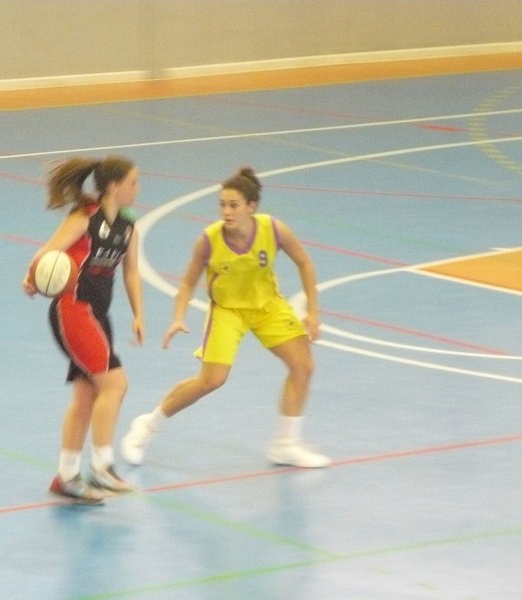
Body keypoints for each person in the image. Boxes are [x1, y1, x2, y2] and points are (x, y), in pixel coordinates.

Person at [121, 167, 330, 469]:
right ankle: (146, 425)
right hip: (227, 311)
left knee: (303, 367)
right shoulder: (209, 240)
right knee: (211, 380)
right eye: (222, 205)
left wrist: (313, 312)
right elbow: (187, 284)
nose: (227, 212)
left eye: (234, 205)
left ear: (251, 206)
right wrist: (178, 317)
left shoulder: (274, 230)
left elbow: (305, 264)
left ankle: (286, 445)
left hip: (267, 306)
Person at [23, 155, 145, 504]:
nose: (138, 189)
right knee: (116, 384)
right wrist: (31, 277)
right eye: (133, 182)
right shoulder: (84, 217)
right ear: (114, 186)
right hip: (73, 310)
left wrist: (138, 314)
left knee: (86, 396)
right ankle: (103, 467)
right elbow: (48, 252)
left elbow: (131, 272)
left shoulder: (129, 227)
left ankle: (67, 477)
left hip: (98, 316)